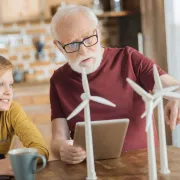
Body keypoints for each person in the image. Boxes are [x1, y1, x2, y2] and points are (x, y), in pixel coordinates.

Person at [50, 5, 180, 164]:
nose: (83, 51)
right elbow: (57, 138)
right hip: (91, 169)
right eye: (71, 44)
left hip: (145, 167)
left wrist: (176, 96)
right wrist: (63, 149)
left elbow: (172, 86)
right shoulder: (59, 81)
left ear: (98, 31)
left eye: (88, 38)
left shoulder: (130, 59)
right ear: (58, 46)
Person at [0, 56, 49, 175]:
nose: (8, 91)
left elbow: (41, 149)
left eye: (10, 85)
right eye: (1, 84)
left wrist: (19, 161)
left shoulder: (12, 110)